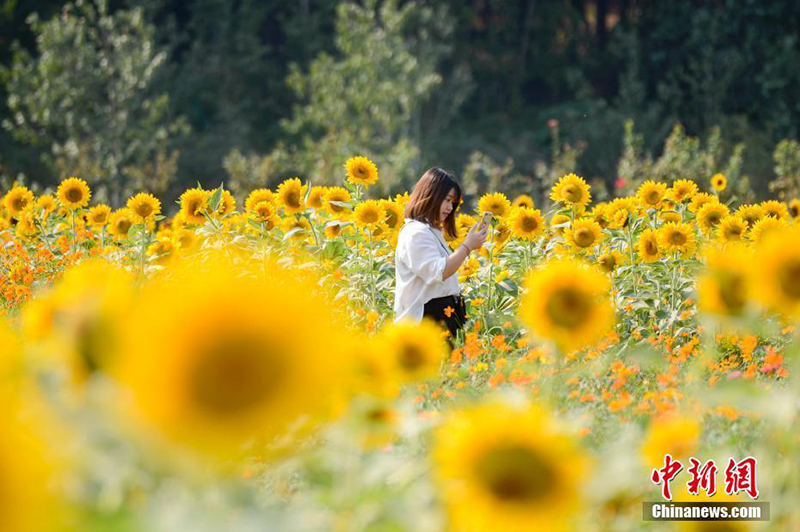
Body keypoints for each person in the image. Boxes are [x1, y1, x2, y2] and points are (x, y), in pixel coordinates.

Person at [393, 167, 488, 341]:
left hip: (441, 318)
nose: (450, 208)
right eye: (447, 200)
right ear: (430, 195)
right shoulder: (416, 233)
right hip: (424, 324)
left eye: (453, 203)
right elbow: (438, 272)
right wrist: (467, 247)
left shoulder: (431, 231)